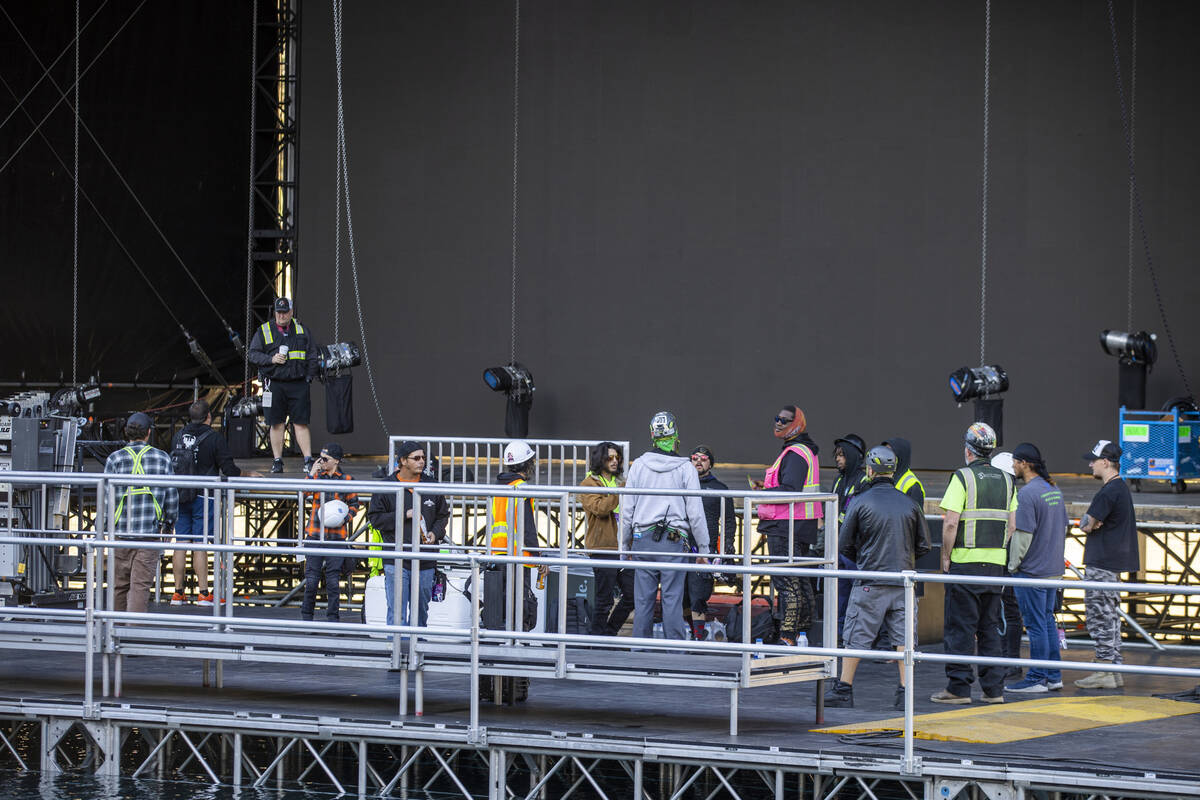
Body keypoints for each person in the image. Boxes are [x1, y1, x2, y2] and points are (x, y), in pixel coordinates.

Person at [824, 446, 929, 709]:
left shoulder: (861, 501)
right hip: (903, 581)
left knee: (856, 636)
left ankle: (844, 689)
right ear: (893, 471)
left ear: (870, 470)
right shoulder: (909, 503)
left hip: (870, 580)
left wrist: (864, 559)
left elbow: (844, 543)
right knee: (904, 640)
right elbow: (925, 545)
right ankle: (905, 693)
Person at [931, 422, 1016, 705]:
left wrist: (945, 555)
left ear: (968, 450)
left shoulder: (963, 477)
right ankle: (994, 690)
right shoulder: (1007, 480)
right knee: (989, 628)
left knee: (961, 628)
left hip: (965, 564)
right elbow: (1012, 526)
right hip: (995, 567)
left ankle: (958, 688)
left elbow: (951, 523)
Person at [620, 412, 710, 641]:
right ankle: (675, 655)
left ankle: (639, 652)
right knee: (672, 600)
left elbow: (627, 509)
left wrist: (624, 546)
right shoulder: (685, 468)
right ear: (675, 434)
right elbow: (696, 513)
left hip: (642, 541)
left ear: (652, 435)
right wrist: (704, 549)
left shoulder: (639, 466)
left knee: (642, 602)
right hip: (673, 541)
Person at [169, 399, 261, 607]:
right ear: (208, 417)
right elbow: (229, 470)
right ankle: (203, 594)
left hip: (181, 493)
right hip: (205, 495)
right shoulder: (214, 438)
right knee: (200, 543)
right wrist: (248, 475)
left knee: (181, 542)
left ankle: (177, 593)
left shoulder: (178, 436)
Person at [751, 406, 821, 646]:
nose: (779, 423)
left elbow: (791, 489)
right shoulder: (802, 451)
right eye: (777, 418)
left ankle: (788, 636)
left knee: (787, 581)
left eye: (785, 420)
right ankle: (802, 633)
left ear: (797, 424)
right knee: (799, 580)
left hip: (786, 525)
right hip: (797, 524)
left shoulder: (795, 453)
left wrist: (763, 494)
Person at [1002, 443, 1068, 693]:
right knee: (1047, 621)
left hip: (1032, 570)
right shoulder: (1053, 489)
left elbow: (1023, 536)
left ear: (1025, 464)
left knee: (1036, 624)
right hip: (1052, 569)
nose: (1013, 466)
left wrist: (1013, 565)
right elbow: (1063, 527)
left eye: (1016, 462)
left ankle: (1037, 677)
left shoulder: (1027, 494)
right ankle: (1053, 675)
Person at [1075, 440, 1140, 689]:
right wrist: (1093, 521)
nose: (1090, 464)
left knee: (1099, 617)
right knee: (1110, 617)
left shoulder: (1108, 492)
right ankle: (1113, 669)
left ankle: (1103, 668)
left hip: (1100, 563)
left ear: (1105, 462)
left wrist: (1089, 522)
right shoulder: (1120, 489)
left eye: (1093, 460)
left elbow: (1087, 524)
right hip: (1111, 563)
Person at [367, 440, 450, 630]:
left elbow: (443, 515)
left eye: (423, 458)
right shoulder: (386, 486)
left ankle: (417, 652)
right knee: (397, 612)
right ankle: (397, 654)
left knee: (421, 611)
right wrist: (404, 515)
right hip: (396, 559)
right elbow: (375, 519)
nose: (422, 462)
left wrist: (435, 534)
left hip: (425, 558)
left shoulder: (431, 484)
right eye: (417, 458)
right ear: (403, 461)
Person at [104, 412, 178, 613]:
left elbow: (106, 499)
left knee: (118, 585)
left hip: (119, 534)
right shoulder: (162, 458)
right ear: (148, 433)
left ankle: (114, 630)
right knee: (140, 586)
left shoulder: (114, 459)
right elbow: (171, 496)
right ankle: (132, 632)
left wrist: (103, 529)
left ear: (126, 432)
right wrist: (169, 525)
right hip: (149, 534)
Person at [247, 297, 319, 474]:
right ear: (275, 313)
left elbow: (312, 355)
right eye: (279, 312)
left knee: (301, 423)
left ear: (291, 312)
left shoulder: (302, 330)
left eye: (285, 312)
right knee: (276, 423)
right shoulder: (264, 330)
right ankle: (277, 461)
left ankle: (308, 460)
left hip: (298, 383)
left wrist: (309, 377)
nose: (282, 315)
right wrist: (270, 359)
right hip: (274, 383)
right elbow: (252, 354)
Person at [488, 441, 548, 628]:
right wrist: (538, 557)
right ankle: (517, 645)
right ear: (528, 464)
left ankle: (502, 644)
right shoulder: (521, 487)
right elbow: (527, 527)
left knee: (501, 606)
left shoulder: (498, 486)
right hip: (517, 555)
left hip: (497, 554)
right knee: (519, 606)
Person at [579, 442, 634, 637]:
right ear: (599, 459)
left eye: (617, 457)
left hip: (624, 546)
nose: (615, 461)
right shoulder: (588, 483)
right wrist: (620, 492)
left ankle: (607, 635)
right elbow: (599, 509)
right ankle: (597, 641)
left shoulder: (621, 481)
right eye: (610, 457)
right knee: (604, 600)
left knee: (632, 596)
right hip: (603, 546)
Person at [301, 443, 360, 622]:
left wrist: (345, 518)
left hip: (336, 537)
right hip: (314, 534)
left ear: (336, 460)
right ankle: (306, 618)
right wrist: (311, 474)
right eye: (320, 458)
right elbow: (302, 493)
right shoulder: (316, 477)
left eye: (325, 459)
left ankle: (333, 618)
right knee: (311, 580)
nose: (321, 462)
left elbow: (355, 505)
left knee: (333, 581)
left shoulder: (347, 480)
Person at [686, 445, 737, 640]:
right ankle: (690, 633)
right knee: (679, 594)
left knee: (699, 595)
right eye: (694, 458)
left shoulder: (719, 488)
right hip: (680, 546)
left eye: (704, 458)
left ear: (711, 464)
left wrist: (726, 547)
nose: (698, 461)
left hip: (704, 549)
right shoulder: (681, 485)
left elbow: (729, 521)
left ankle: (698, 638)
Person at [989, 452, 1029, 682]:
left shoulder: (1009, 498)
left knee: (1007, 613)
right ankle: (1008, 660)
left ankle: (1008, 660)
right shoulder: (1015, 495)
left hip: (1006, 563)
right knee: (1009, 613)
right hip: (1010, 562)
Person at [882, 437, 924, 507]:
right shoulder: (880, 475)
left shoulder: (912, 485)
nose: (885, 456)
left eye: (889, 453)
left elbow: (916, 516)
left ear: (900, 456)